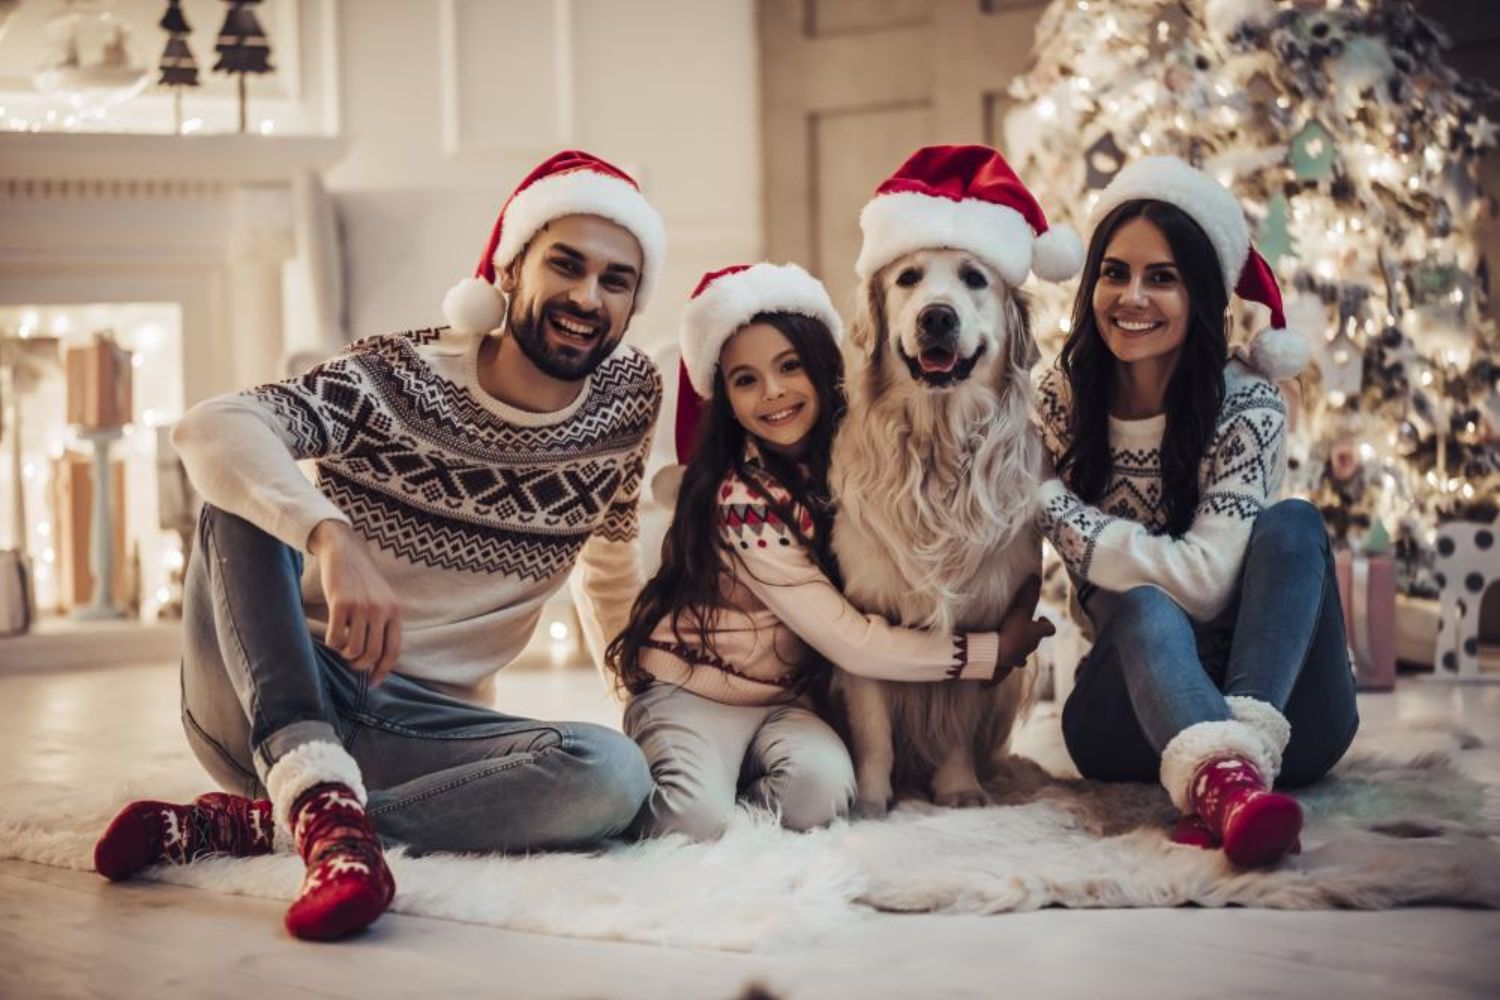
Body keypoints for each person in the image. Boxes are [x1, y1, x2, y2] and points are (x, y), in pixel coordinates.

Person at [92, 150, 668, 940]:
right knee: (240, 504)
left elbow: (608, 566)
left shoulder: (627, 403)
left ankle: (283, 823)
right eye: (564, 266)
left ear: (635, 300)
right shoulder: (395, 376)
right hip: (272, 693)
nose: (585, 296)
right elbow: (210, 425)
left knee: (612, 776)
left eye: (615, 279)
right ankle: (309, 783)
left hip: (426, 736)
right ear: (509, 273)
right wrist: (328, 534)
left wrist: (647, 712)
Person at [606, 262, 1054, 841]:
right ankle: (683, 777)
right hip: (695, 692)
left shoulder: (849, 463)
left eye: (790, 367)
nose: (773, 393)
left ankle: (733, 784)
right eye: (745, 380)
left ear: (823, 369)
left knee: (820, 796)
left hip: (785, 701)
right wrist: (988, 652)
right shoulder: (740, 498)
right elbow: (848, 638)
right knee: (689, 819)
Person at [1033, 155, 1358, 868]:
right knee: (1144, 609)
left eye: (1163, 277)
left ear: (1203, 293)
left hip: (1286, 714)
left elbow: (1210, 582)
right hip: (1127, 721)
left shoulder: (1247, 404)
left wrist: (1053, 501)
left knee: (1294, 525)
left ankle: (1232, 774)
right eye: (1114, 272)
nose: (1132, 296)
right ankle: (1228, 789)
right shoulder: (1059, 398)